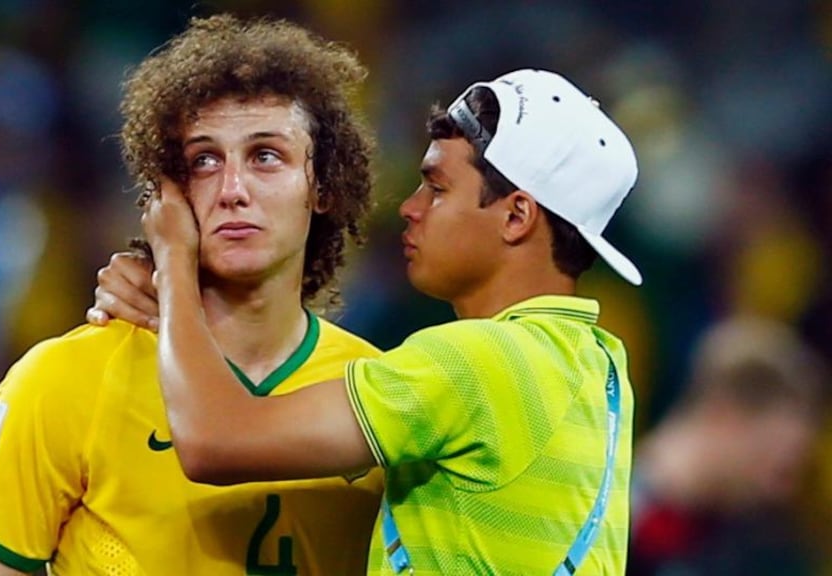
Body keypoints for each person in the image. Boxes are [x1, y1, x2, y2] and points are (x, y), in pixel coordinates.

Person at [96, 68, 641, 573]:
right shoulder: (601, 365)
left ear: (517, 216)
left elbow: (214, 439)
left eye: (437, 187)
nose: (409, 206)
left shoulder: (476, 362)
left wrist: (173, 264)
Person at [0, 14, 385, 575]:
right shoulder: (63, 380)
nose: (233, 190)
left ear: (321, 188)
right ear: (163, 197)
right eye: (204, 161)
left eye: (265, 155)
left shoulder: (377, 390)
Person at [628, 316, 826, 575]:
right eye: (775, 466)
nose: (779, 491)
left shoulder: (731, 540)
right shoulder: (610, 518)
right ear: (725, 415)